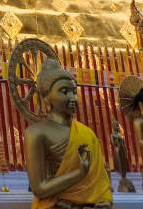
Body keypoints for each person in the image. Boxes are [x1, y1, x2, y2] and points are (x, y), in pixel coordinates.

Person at [24, 58, 112, 209]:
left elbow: (99, 181)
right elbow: (39, 189)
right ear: (46, 97)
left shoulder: (86, 133)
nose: (72, 98)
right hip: (56, 205)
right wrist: (79, 173)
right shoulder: (36, 133)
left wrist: (103, 201)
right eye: (64, 91)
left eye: (74, 92)